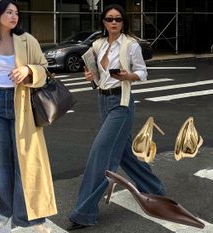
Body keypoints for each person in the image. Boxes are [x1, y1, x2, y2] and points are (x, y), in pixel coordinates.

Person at [67, 4, 166, 231]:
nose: (114, 22)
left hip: (121, 104)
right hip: (103, 101)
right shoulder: (98, 45)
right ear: (103, 21)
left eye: (118, 19)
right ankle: (155, 190)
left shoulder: (130, 45)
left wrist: (127, 75)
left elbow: (143, 73)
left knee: (101, 154)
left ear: (123, 22)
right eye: (110, 19)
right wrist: (89, 74)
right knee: (124, 152)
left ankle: (84, 212)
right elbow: (95, 75)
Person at [0, 0, 57, 232]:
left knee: (24, 163)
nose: (14, 16)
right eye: (8, 12)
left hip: (22, 104)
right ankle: (6, 209)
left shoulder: (28, 41)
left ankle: (25, 217)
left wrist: (28, 70)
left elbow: (45, 69)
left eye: (16, 13)